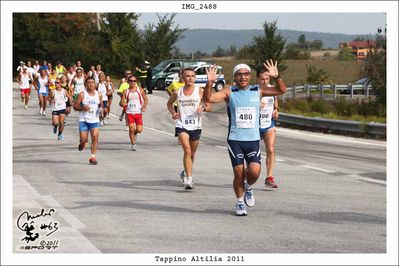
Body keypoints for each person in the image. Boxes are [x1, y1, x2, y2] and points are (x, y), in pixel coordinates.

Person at [203, 60, 287, 216]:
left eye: (246, 74)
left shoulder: (258, 90)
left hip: (253, 140)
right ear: (234, 77)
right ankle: (240, 202)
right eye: (239, 74)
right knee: (239, 173)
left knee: (254, 172)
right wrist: (209, 83)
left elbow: (282, 90)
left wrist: (277, 76)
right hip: (235, 140)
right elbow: (208, 99)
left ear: (249, 76)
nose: (243, 77)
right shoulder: (229, 92)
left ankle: (248, 187)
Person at [167, 68, 211, 189]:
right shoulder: (177, 92)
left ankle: (185, 172)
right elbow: (169, 104)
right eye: (187, 76)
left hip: (196, 126)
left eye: (192, 76)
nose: (190, 78)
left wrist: (203, 108)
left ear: (195, 78)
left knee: (192, 153)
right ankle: (189, 179)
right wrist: (173, 113)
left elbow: (209, 105)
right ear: (183, 77)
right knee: (187, 150)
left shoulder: (200, 91)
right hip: (182, 125)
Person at [257, 68, 283, 189]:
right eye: (262, 79)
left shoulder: (272, 89)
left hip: (268, 124)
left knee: (271, 150)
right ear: (257, 79)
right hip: (254, 126)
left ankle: (269, 177)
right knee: (252, 153)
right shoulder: (253, 90)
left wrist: (276, 109)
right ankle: (247, 174)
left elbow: (275, 99)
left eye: (267, 79)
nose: (265, 81)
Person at [73, 76, 103, 165]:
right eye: (89, 82)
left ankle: (92, 157)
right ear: (86, 84)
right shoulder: (82, 94)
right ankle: (82, 144)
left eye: (92, 82)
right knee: (83, 140)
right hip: (84, 120)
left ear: (95, 84)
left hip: (94, 120)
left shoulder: (99, 95)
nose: (91, 84)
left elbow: (101, 106)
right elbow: (75, 106)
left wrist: (101, 110)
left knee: (95, 137)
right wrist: (83, 108)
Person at [121, 75, 148, 151]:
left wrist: (144, 106)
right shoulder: (126, 91)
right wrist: (123, 103)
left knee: (139, 130)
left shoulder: (140, 90)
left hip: (138, 113)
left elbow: (145, 99)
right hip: (129, 113)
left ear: (136, 82)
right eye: (131, 81)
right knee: (131, 128)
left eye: (134, 81)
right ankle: (133, 144)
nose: (132, 82)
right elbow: (121, 102)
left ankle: (135, 133)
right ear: (128, 82)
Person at [166, 70, 185, 143]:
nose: (182, 76)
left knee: (184, 120)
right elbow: (168, 89)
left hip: (185, 105)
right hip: (177, 105)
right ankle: (179, 138)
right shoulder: (174, 84)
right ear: (178, 75)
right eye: (180, 74)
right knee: (180, 120)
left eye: (183, 75)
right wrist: (172, 96)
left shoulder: (186, 84)